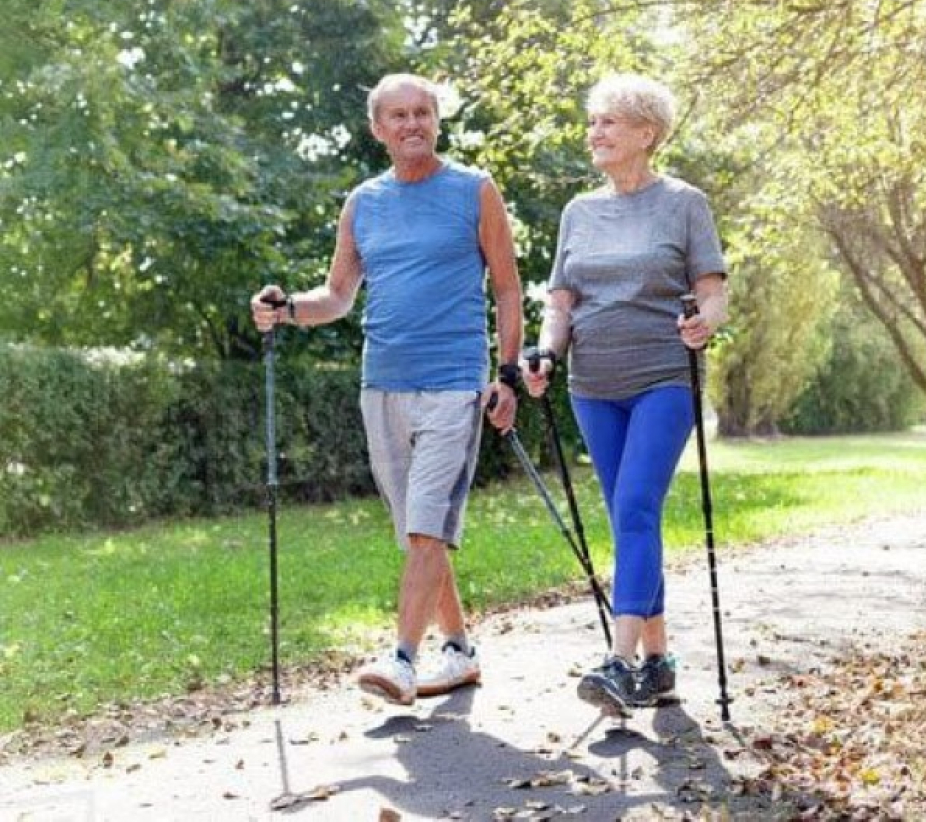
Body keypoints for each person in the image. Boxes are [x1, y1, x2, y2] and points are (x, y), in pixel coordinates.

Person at [250, 73, 523, 706]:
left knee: (427, 523)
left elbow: (508, 288)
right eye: (398, 115)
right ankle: (458, 650)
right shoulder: (363, 203)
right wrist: (287, 308)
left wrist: (505, 374)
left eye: (422, 113)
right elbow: (338, 296)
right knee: (417, 527)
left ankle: (403, 659)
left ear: (437, 121)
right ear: (378, 129)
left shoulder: (474, 191)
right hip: (383, 384)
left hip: (455, 382)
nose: (412, 124)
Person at [524, 73, 728, 716]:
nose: (595, 133)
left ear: (647, 132)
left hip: (663, 376)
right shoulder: (578, 213)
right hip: (592, 385)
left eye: (608, 121)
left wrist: (705, 323)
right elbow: (561, 303)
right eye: (592, 122)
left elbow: (714, 290)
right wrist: (545, 353)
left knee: (637, 505)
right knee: (628, 519)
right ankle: (659, 660)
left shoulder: (683, 203)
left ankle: (617, 661)